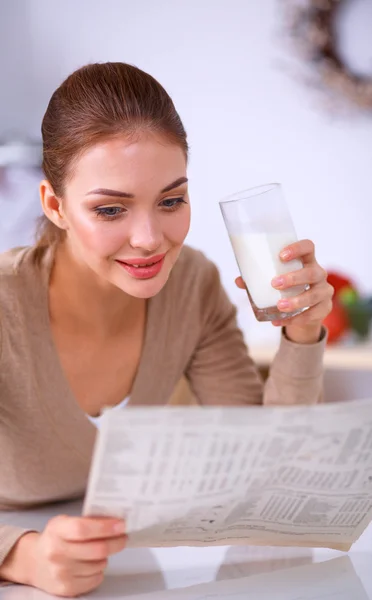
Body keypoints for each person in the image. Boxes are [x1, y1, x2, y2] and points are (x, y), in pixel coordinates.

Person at [0, 62, 333, 596]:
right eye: (110, 209)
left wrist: (301, 333)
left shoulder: (192, 284)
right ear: (54, 206)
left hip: (133, 576)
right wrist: (21, 556)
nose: (150, 239)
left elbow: (269, 470)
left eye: (171, 200)